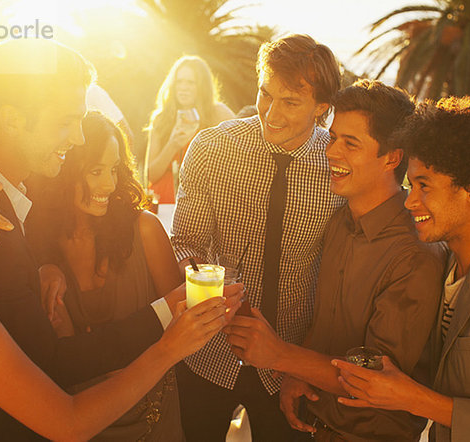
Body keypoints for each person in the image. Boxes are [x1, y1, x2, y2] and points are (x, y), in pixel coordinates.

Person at [0, 39, 241, 442]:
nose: (76, 138)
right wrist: (168, 329)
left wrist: (41, 266)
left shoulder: (19, 201)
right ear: (12, 119)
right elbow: (51, 368)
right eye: (65, 122)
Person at [225, 80, 446, 441]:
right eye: (332, 138)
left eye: (350, 143)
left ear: (392, 157)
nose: (331, 152)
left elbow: (374, 381)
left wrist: (280, 356)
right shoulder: (340, 221)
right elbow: (325, 320)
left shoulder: (415, 254)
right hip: (313, 425)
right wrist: (299, 372)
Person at [170, 34, 345, 441]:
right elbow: (184, 240)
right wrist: (216, 294)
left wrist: (297, 363)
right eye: (266, 94)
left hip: (290, 369)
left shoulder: (337, 168)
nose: (272, 113)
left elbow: (337, 275)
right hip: (206, 353)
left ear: (322, 109)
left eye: (290, 102)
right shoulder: (213, 148)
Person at [332, 96, 470, 442]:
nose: (410, 201)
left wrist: (411, 398)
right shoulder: (446, 264)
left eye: (424, 185)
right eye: (411, 185)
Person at [26, 110, 185, 440]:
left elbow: (182, 321)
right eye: (95, 171)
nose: (110, 184)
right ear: (64, 173)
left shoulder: (145, 230)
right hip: (79, 420)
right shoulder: (38, 245)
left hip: (153, 418)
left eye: (114, 170)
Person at [145, 55, 235, 203]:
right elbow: (150, 175)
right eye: (179, 82)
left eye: (190, 82)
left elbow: (241, 153)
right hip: (165, 198)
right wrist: (172, 144)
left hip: (203, 198)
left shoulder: (218, 113)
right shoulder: (161, 118)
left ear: (202, 87)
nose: (183, 87)